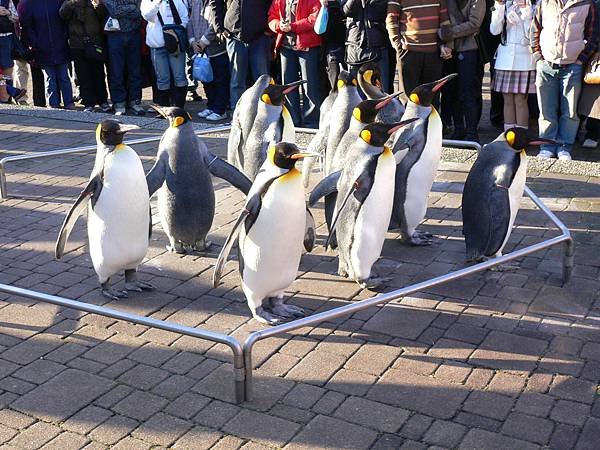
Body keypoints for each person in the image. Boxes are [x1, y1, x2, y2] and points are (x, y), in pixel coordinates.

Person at [531, 0, 599, 160]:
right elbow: (535, 28)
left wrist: (581, 59)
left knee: (570, 112)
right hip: (546, 64)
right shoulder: (544, 2)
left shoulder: (587, 4)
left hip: (572, 66)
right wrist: (537, 56)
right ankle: (546, 145)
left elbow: (593, 35)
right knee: (546, 110)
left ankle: (564, 146)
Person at [206, 0, 272, 110]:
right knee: (237, 81)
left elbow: (272, 3)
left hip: (260, 35)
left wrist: (268, 27)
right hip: (234, 35)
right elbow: (215, 3)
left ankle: (265, 114)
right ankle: (238, 115)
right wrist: (220, 28)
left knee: (262, 79)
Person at [268, 0, 322, 127]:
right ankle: (292, 120)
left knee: (310, 86)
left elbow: (314, 19)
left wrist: (292, 26)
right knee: (288, 86)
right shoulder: (279, 1)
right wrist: (278, 25)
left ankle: (311, 121)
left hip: (307, 46)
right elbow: (271, 17)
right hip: (286, 47)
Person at [386, 0, 452, 101]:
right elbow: (391, 18)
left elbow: (445, 21)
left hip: (434, 53)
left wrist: (448, 44)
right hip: (408, 52)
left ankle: (430, 117)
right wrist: (397, 44)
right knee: (409, 98)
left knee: (432, 98)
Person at [439, 0, 485, 142]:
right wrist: (445, 44)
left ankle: (472, 132)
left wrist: (448, 34)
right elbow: (441, 21)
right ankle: (458, 129)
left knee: (468, 92)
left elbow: (474, 24)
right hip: (449, 49)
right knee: (451, 91)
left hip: (469, 48)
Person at [18, 0, 74, 109]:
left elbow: (66, 21)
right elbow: (28, 26)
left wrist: (64, 37)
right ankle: (53, 104)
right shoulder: (30, 4)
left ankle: (69, 102)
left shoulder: (59, 2)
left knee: (64, 77)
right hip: (42, 48)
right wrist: (35, 43)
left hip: (60, 45)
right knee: (50, 78)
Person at [489, 0, 536, 130]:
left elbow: (531, 34)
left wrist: (527, 13)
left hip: (524, 57)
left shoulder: (533, 4)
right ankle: (509, 136)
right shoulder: (505, 3)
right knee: (507, 101)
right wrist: (499, 6)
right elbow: (494, 30)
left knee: (521, 100)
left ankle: (521, 137)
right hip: (505, 58)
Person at [60, 0, 111, 113]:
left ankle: (103, 101)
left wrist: (98, 5)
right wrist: (72, 2)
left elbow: (103, 15)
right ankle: (89, 102)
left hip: (95, 42)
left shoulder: (93, 2)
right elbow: (62, 14)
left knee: (98, 73)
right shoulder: (70, 2)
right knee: (83, 75)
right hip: (77, 44)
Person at [141, 0, 190, 108]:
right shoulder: (148, 2)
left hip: (175, 44)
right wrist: (157, 3)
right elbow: (147, 16)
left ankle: (179, 107)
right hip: (157, 44)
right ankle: (165, 107)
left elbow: (184, 17)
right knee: (162, 78)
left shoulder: (176, 1)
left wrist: (176, 32)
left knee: (180, 76)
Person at [188, 0, 230, 120]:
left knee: (220, 81)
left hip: (217, 49)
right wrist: (192, 41)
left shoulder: (215, 3)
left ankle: (220, 110)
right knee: (206, 80)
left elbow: (215, 24)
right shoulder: (196, 2)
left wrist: (203, 42)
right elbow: (190, 22)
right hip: (201, 50)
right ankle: (211, 106)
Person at [103, 0, 145, 116]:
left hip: (134, 33)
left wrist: (124, 8)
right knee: (116, 71)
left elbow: (139, 12)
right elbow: (114, 12)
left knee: (135, 70)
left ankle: (135, 101)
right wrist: (131, 6)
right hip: (115, 34)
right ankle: (119, 102)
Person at [344, 0, 391, 93]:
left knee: (382, 91)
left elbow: (382, 12)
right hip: (355, 46)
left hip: (378, 45)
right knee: (356, 92)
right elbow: (347, 11)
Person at [0, 0, 25, 103]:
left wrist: (8, 13)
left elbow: (15, 17)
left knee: (6, 72)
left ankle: (7, 98)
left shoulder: (7, 1)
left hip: (6, 39)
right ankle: (13, 92)